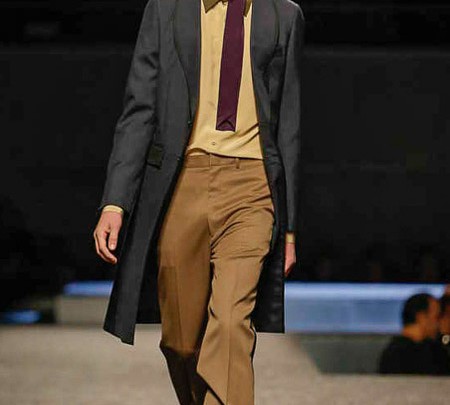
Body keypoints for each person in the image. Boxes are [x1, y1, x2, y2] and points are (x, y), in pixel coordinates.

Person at [92, 0, 305, 403]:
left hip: (253, 185)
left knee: (231, 325)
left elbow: (289, 123)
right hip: (182, 181)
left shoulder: (283, 14)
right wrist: (115, 202)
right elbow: (139, 110)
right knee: (182, 341)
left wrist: (290, 228)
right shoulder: (166, 9)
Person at [378, 293, 450, 375]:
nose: (439, 323)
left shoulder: (391, 352)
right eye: (437, 317)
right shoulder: (430, 354)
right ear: (421, 317)